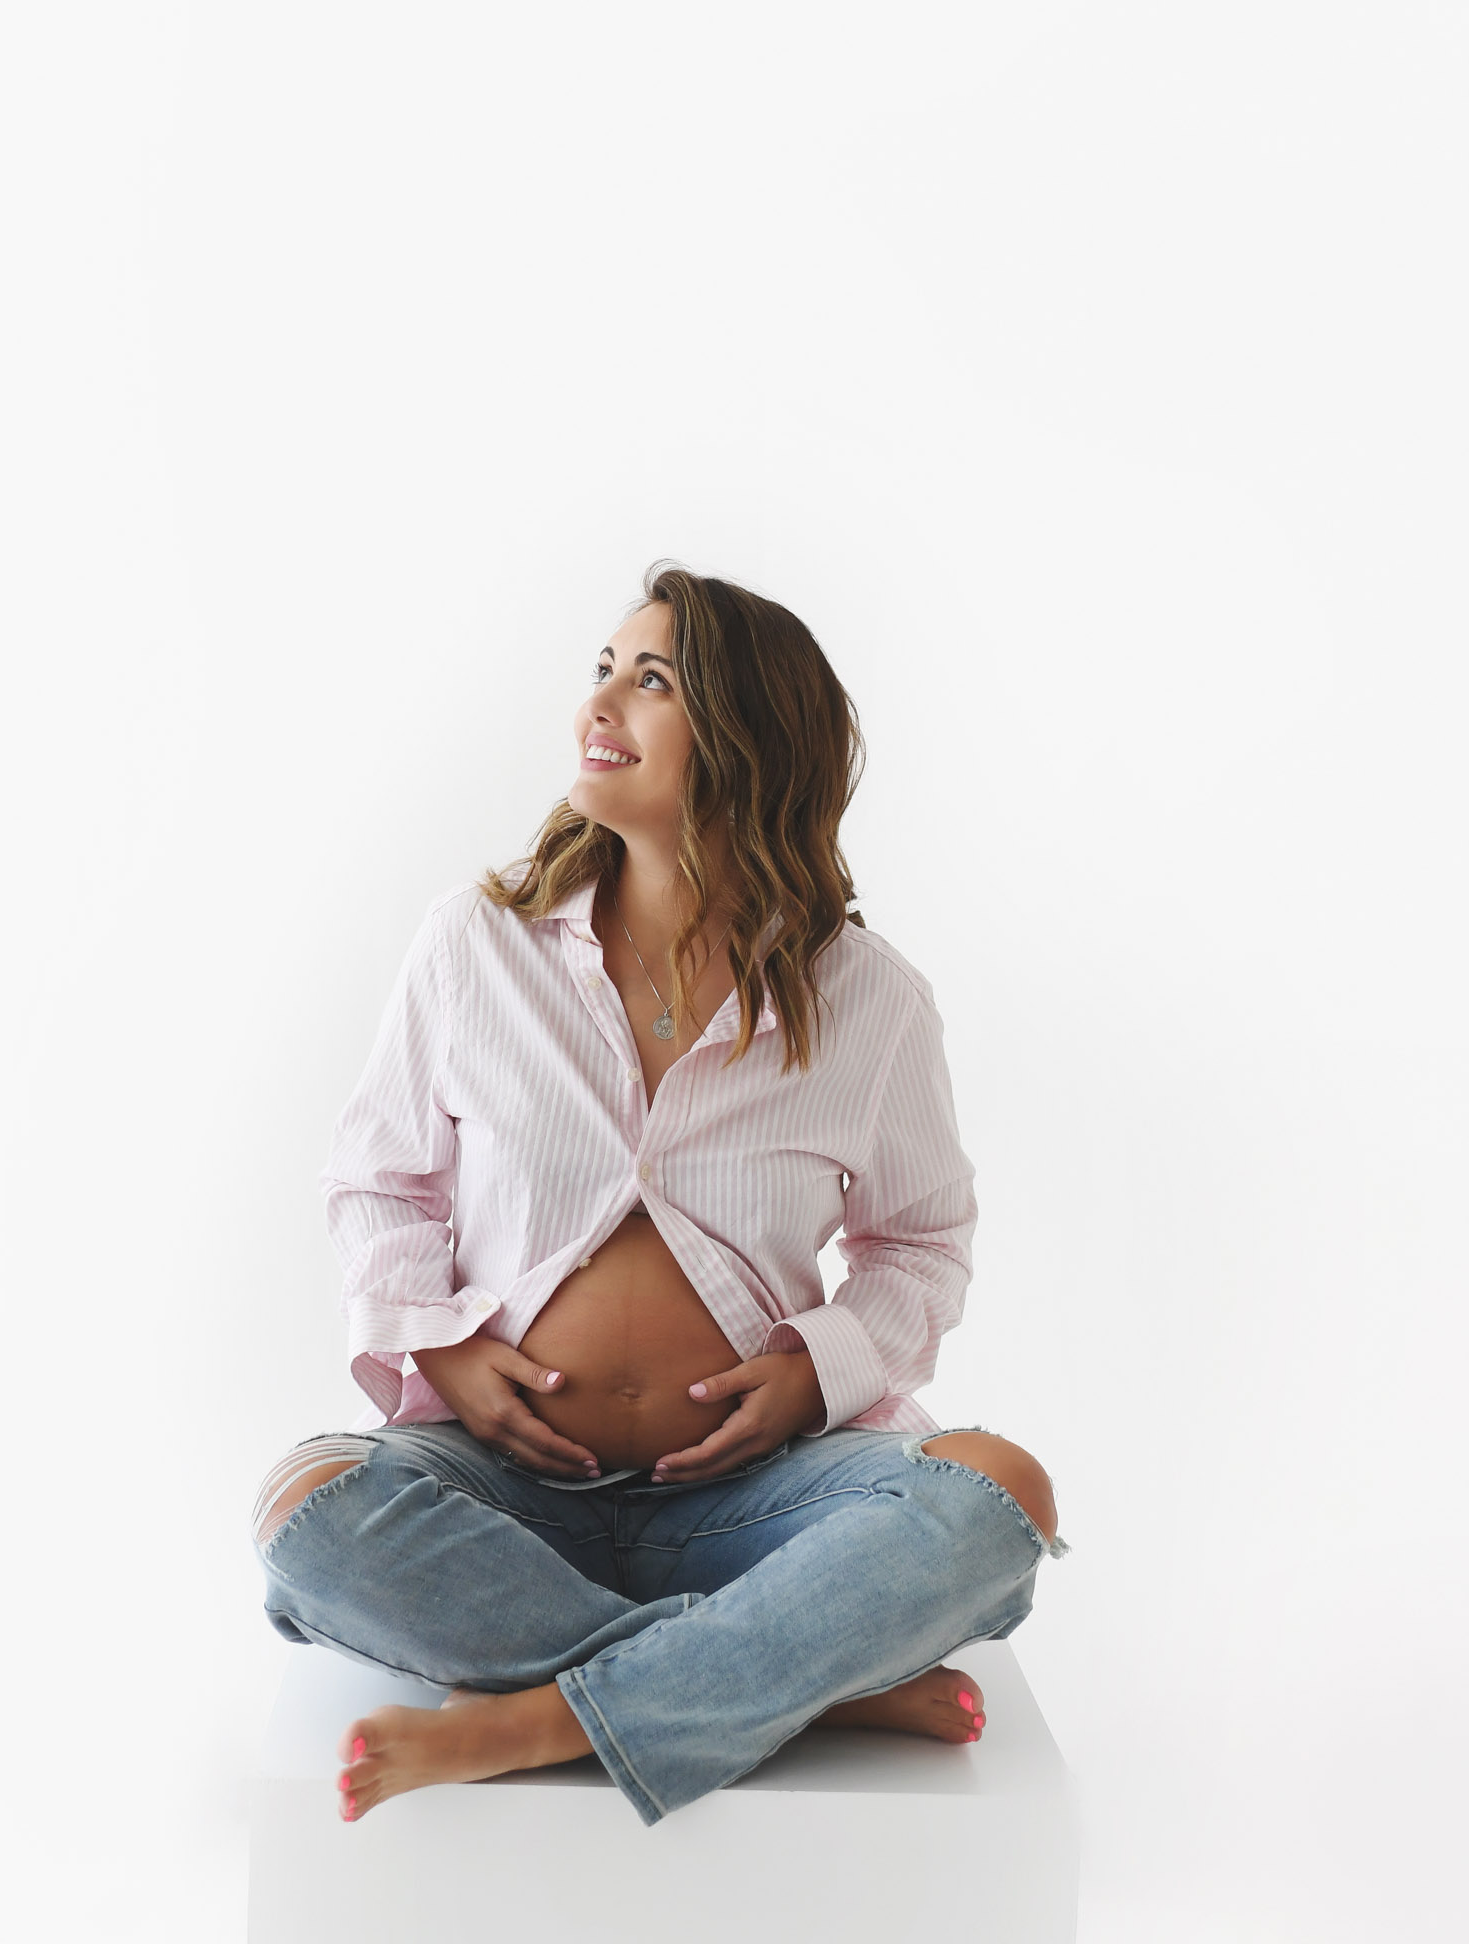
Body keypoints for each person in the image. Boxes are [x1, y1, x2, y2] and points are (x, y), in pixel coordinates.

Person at [249, 560, 1067, 1830]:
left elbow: (919, 1242)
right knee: (307, 1512)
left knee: (1000, 1489)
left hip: (762, 1500)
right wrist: (447, 1348)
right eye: (602, 671)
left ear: (749, 735)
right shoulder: (476, 945)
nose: (603, 704)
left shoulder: (868, 1000)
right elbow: (378, 1180)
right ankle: (798, 1684)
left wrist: (817, 1372)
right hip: (499, 1487)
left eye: (652, 681)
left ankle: (544, 1720)